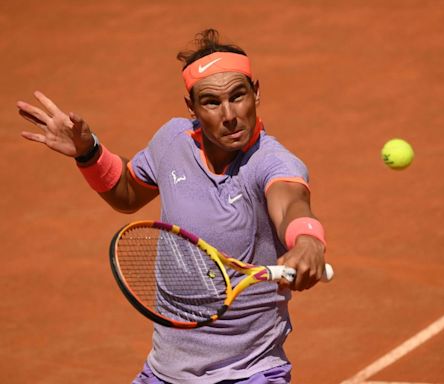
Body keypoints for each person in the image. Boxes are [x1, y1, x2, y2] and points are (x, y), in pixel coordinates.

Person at [17, 29, 328, 384]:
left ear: (256, 92)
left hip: (248, 373)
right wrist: (89, 154)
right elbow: (127, 192)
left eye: (238, 96)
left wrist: (307, 242)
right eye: (212, 102)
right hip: (165, 372)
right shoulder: (172, 142)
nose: (229, 114)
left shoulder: (272, 162)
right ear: (191, 107)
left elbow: (291, 204)